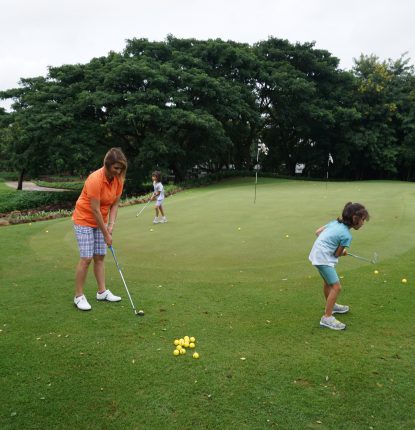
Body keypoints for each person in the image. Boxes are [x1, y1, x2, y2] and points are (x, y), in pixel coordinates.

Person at [72, 147, 128, 311]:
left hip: (101, 220)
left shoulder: (118, 180)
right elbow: (95, 210)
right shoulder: (95, 179)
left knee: (100, 256)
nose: (118, 171)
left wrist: (111, 226)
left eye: (121, 168)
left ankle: (102, 292)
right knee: (87, 258)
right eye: (116, 168)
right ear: (108, 165)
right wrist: (106, 234)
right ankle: (78, 296)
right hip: (84, 219)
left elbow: (115, 204)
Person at [309, 202, 370, 330]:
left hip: (317, 254)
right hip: (323, 259)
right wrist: (343, 252)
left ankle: (331, 306)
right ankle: (327, 318)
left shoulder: (334, 223)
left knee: (328, 283)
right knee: (336, 287)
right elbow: (337, 254)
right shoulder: (347, 235)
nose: (363, 223)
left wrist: (327, 243)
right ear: (355, 219)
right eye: (363, 220)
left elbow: (318, 232)